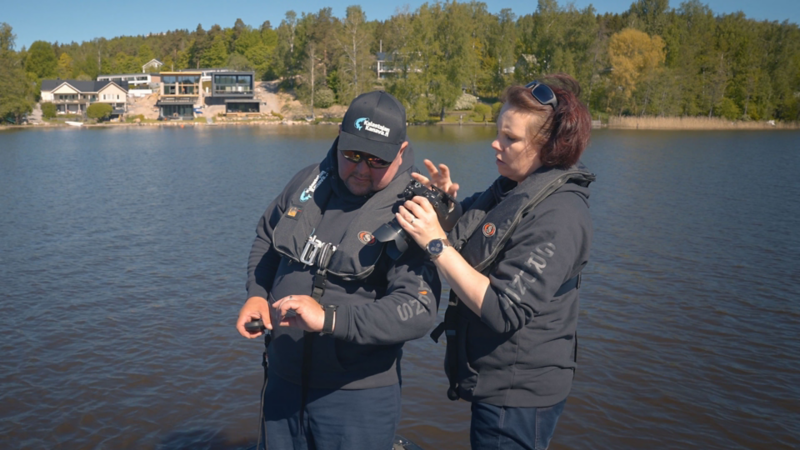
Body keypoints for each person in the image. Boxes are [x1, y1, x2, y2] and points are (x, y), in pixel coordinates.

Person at [396, 74, 595, 450]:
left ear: (551, 146)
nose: (495, 143)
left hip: (519, 395)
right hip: (495, 379)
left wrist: (436, 244)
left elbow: (505, 308)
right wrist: (446, 206)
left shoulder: (559, 215)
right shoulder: (512, 186)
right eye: (498, 132)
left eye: (511, 138)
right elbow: (467, 232)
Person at [235, 90, 440, 450]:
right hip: (282, 384)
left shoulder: (414, 212)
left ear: (402, 152)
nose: (361, 169)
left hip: (355, 399)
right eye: (352, 154)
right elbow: (267, 237)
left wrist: (329, 319)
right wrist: (255, 293)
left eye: (376, 160)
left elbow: (418, 310)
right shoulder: (306, 182)